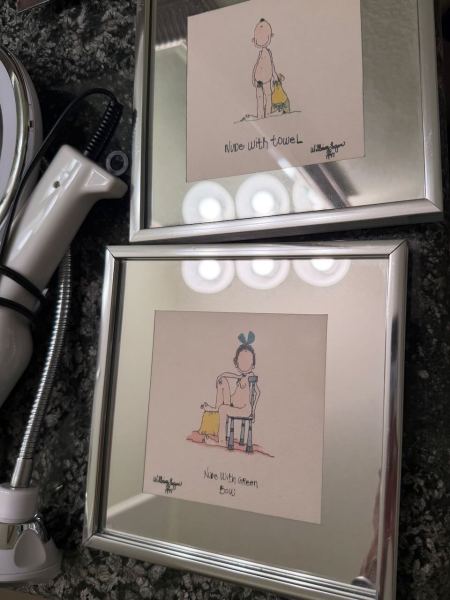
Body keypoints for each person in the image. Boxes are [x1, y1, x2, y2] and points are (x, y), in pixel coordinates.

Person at [202, 332, 260, 447]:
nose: (244, 364)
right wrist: (222, 375)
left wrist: (253, 411)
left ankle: (221, 442)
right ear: (236, 363)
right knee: (223, 381)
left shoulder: (250, 377)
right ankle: (216, 408)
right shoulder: (241, 376)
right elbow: (234, 376)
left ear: (252, 365)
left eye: (247, 361)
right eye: (241, 361)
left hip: (243, 410)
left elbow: (257, 392)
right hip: (234, 404)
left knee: (223, 409)